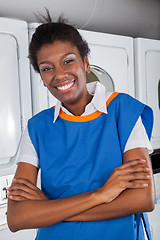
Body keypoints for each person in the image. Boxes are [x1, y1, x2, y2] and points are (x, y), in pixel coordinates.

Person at [7, 13, 155, 240]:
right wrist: (100, 195)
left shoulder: (123, 111)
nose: (59, 74)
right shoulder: (37, 127)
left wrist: (51, 209)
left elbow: (142, 199)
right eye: (47, 68)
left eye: (68, 61)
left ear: (85, 63)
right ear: (41, 76)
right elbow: (17, 218)